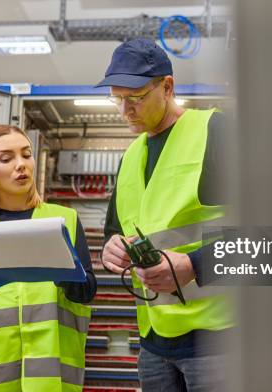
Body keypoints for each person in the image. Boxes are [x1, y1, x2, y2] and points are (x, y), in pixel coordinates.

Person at [96, 38, 234, 391]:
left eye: (136, 98)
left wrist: (194, 266)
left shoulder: (217, 132)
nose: (125, 110)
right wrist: (111, 249)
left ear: (167, 87)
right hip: (154, 345)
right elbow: (115, 232)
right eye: (118, 98)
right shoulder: (130, 158)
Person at [0, 124, 96, 392]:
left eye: (26, 154)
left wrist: (61, 269)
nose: (21, 164)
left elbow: (86, 292)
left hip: (47, 376)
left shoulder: (63, 221)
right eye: (6, 158)